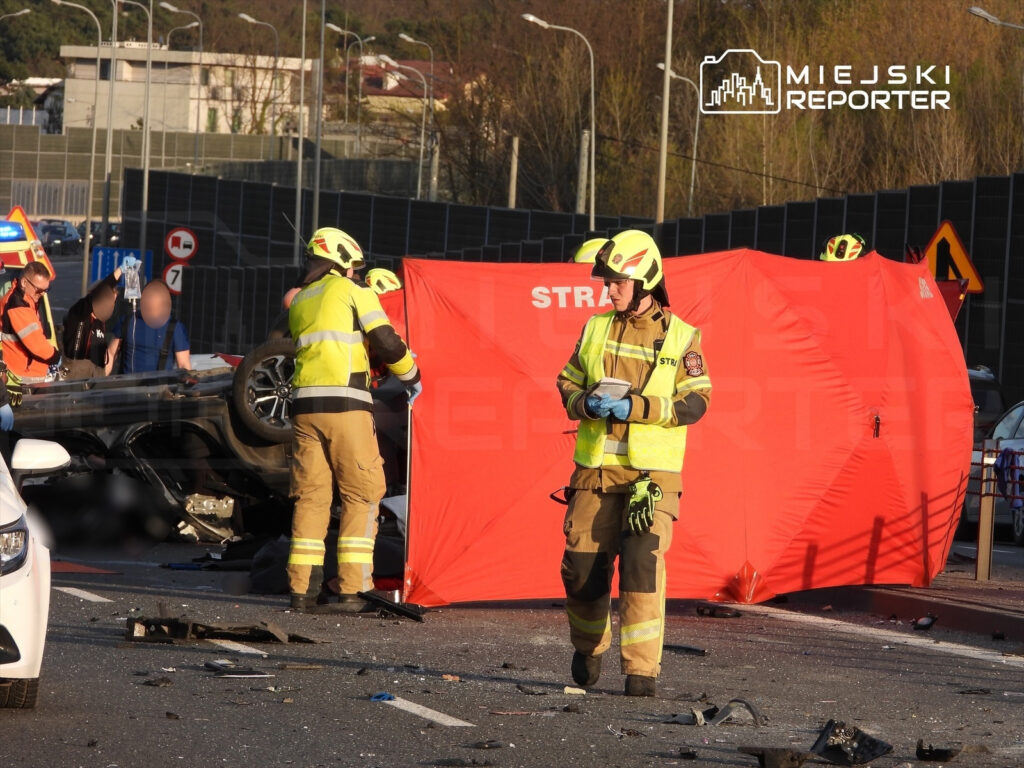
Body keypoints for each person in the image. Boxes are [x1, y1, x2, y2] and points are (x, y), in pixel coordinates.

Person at [556, 230, 712, 698]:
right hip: (594, 476)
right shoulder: (595, 327)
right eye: (608, 282)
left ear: (645, 279)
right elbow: (565, 381)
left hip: (652, 479)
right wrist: (585, 402)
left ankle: (641, 669)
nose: (609, 290)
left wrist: (638, 408)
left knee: (643, 565)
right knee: (582, 572)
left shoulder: (683, 336)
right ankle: (589, 647)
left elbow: (697, 401)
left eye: (617, 282)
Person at [287, 227, 422, 614]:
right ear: (343, 263)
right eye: (355, 268)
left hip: (304, 410)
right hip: (346, 404)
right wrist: (412, 375)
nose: (358, 275)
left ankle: (302, 589)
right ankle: (353, 588)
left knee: (311, 498)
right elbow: (386, 340)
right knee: (363, 493)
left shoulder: (301, 300)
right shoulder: (353, 291)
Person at [62, 259, 130, 380]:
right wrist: (120, 270)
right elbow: (100, 291)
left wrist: (104, 373)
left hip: (95, 376)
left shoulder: (100, 322)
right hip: (76, 374)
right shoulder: (79, 313)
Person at [106, 280, 191, 374]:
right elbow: (111, 353)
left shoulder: (175, 328)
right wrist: (99, 382)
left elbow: (183, 365)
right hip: (126, 385)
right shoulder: (128, 321)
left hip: (159, 386)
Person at [0, 260, 61, 385]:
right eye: (39, 290)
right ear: (24, 283)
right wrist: (56, 356)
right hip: (24, 377)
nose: (43, 294)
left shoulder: (26, 299)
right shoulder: (18, 306)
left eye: (46, 290)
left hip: (21, 373)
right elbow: (37, 346)